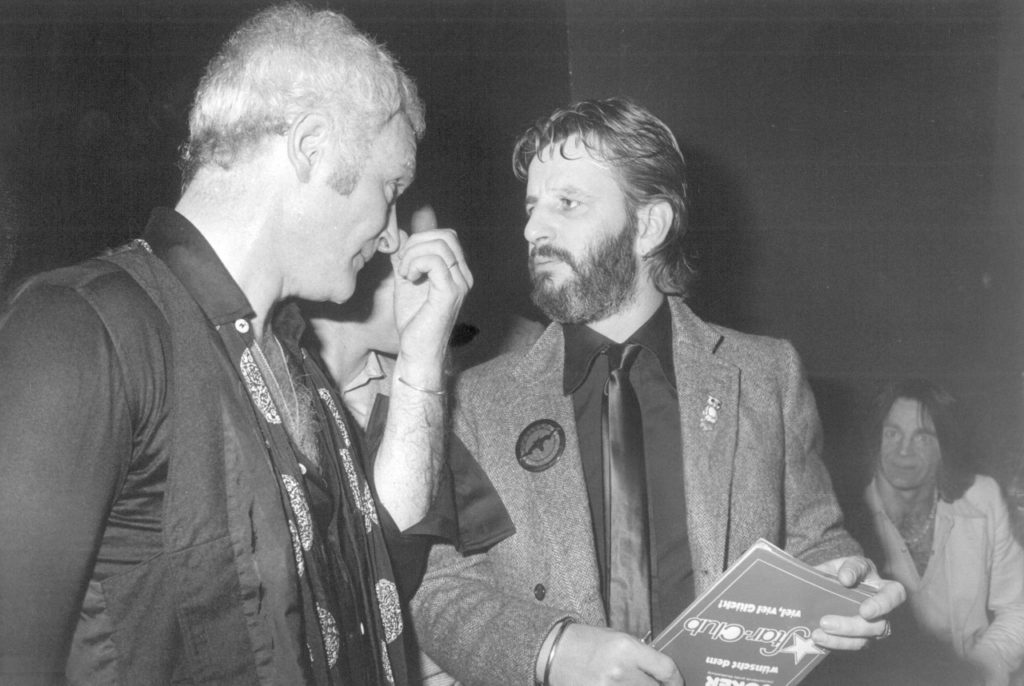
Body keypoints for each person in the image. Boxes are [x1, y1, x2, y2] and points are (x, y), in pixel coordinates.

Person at [0, 4, 473, 684]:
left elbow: (377, 570)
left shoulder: (294, 365)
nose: (391, 227)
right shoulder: (82, 329)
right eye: (389, 187)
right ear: (311, 147)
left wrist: (424, 358)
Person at [410, 98, 905, 686]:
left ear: (649, 225)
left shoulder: (766, 375)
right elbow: (441, 590)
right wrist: (553, 649)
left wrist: (850, 587)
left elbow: (816, 541)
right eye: (532, 207)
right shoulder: (477, 402)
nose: (533, 229)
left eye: (566, 203)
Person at [856, 379, 1024, 686]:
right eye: (892, 434)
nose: (903, 451)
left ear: (945, 447)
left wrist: (982, 667)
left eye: (922, 437)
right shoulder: (848, 515)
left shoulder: (983, 498)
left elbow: (1017, 607)